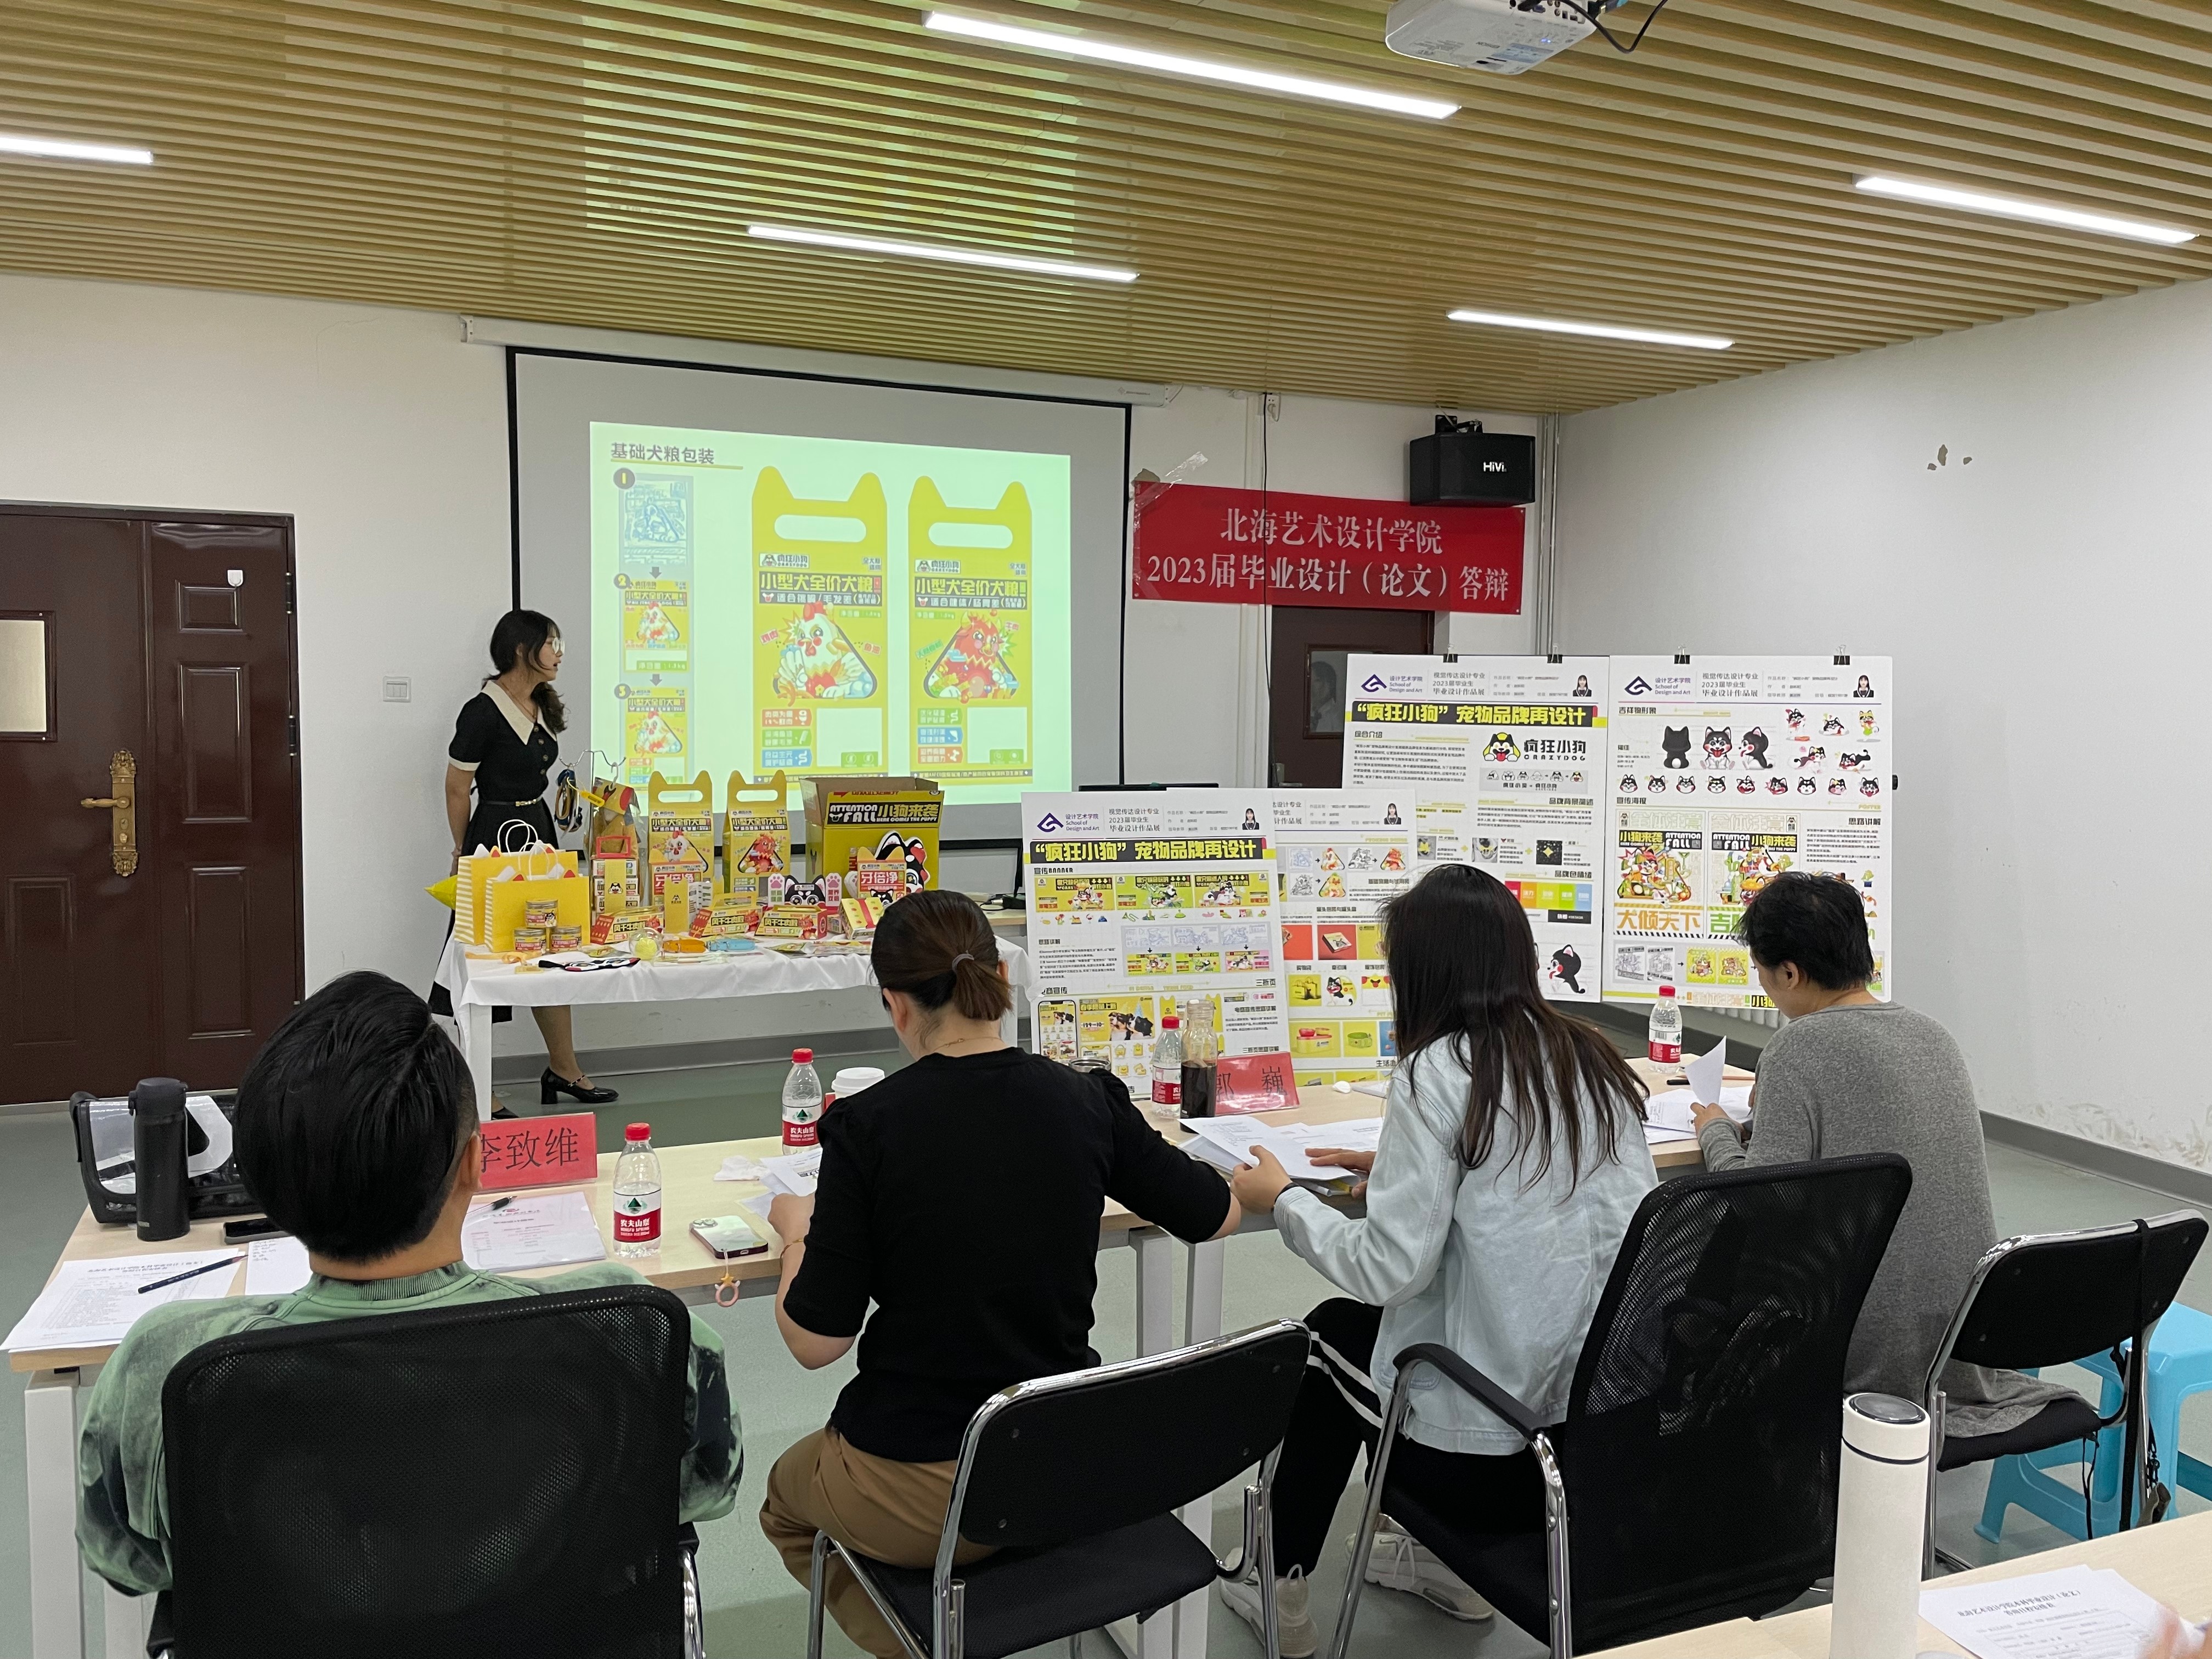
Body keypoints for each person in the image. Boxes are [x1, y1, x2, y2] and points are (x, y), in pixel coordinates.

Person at [77, 972, 739, 1594]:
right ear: (476, 1162)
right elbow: (708, 1487)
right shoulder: (626, 1324)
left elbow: (126, 1562)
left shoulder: (166, 1363)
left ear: (262, 1181)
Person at [758, 891, 1242, 1659]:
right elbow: (1216, 1214)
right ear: (1000, 980)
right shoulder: (1087, 1098)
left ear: (895, 1004)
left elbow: (816, 1342)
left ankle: (930, 1644)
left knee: (785, 1503)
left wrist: (796, 1234)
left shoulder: (868, 1125)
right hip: (1059, 1459)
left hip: (921, 1485)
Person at [1223, 865, 1655, 1656]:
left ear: (1419, 971)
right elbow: (1525, 1196)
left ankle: (1274, 1583)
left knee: (1326, 1337)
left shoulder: (1437, 1072)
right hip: (1596, 1451)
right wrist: (1400, 1167)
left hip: (1487, 1468)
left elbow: (1390, 1272)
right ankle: (1441, 1570)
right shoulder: (1590, 1059)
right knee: (1398, 1333)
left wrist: (1282, 1199)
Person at [1692, 872, 2068, 1438]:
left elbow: (1764, 1202)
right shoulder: (1934, 1036)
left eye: (1763, 973)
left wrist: (1717, 1131)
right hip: (1966, 1333)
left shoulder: (1797, 1047)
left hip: (1861, 1344)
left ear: (1790, 973)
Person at [431, 608, 616, 1110]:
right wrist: (461, 851)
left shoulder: (542, 705)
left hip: (539, 833)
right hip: (493, 838)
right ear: (520, 649)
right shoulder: (482, 711)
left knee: (551, 948)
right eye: (551, 643)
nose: (559, 654)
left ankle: (564, 1069)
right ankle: (477, 1088)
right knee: (482, 959)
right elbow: (456, 787)